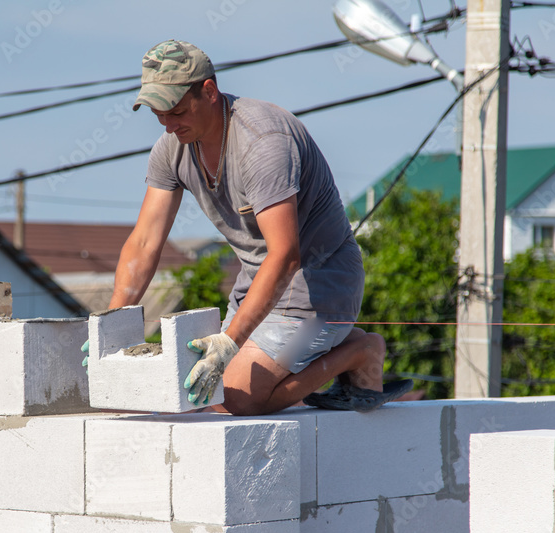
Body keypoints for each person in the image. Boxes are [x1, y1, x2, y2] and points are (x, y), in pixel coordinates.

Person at [107, 39, 411, 416]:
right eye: (159, 115)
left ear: (209, 91)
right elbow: (144, 242)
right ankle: (335, 343)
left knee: (233, 398)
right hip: (257, 288)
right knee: (203, 392)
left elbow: (285, 256)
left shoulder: (263, 144)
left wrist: (229, 342)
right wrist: (111, 328)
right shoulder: (172, 148)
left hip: (319, 289)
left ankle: (359, 351)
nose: (169, 126)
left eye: (177, 111)